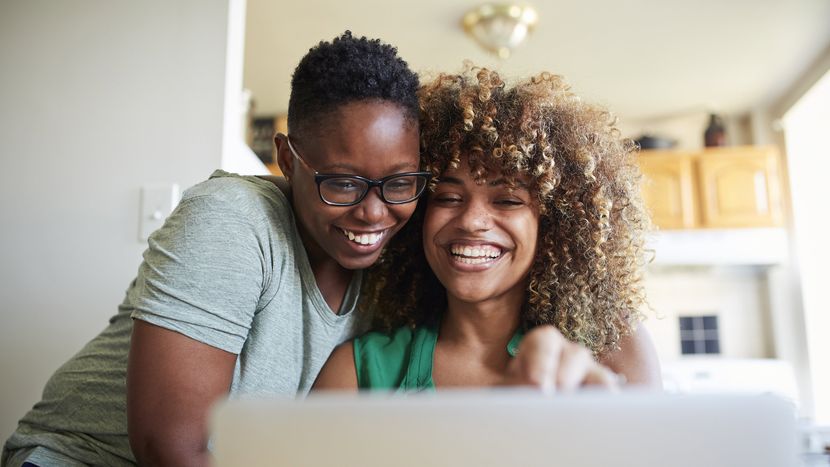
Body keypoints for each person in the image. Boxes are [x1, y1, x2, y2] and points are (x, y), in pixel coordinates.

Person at [2, 32, 426, 467]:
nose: (374, 213)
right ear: (287, 158)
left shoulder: (394, 264)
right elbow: (171, 452)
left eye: (399, 183)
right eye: (342, 182)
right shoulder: (231, 219)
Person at [314, 66, 661, 392]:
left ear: (554, 223)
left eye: (507, 200)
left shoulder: (613, 348)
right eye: (448, 197)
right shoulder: (357, 374)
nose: (470, 220)